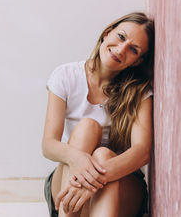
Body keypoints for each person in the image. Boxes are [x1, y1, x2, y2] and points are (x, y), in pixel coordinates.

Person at [42, 12, 154, 217]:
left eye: (133, 50)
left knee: (103, 154)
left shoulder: (139, 91)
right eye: (120, 37)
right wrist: (77, 160)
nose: (121, 50)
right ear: (107, 33)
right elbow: (48, 145)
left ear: (137, 62)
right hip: (70, 178)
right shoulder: (65, 75)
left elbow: (142, 151)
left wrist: (95, 177)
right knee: (87, 126)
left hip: (122, 181)